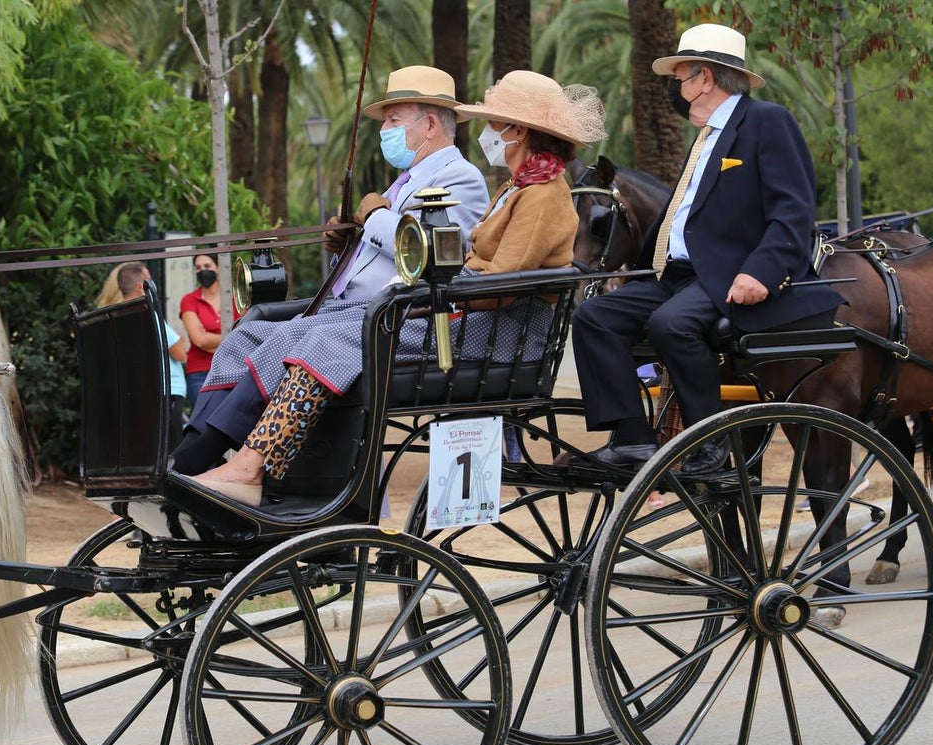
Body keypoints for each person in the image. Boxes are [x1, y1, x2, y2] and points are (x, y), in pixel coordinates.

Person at [176, 70, 607, 506]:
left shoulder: (539, 195)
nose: (490, 134)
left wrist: (404, 258)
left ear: (520, 132)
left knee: (327, 337)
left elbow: (498, 280)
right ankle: (191, 460)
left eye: (496, 125)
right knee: (264, 332)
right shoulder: (518, 189)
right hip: (462, 310)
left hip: (489, 327)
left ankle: (250, 468)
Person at [170, 65, 490, 476]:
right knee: (247, 332)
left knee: (293, 335)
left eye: (393, 120)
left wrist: (373, 219)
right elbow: (381, 255)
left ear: (429, 124)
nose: (384, 130)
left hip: (397, 317)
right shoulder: (404, 182)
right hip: (351, 309)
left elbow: (428, 252)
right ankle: (197, 444)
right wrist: (348, 243)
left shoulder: (460, 177)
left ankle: (205, 454)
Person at [571, 22, 843, 475]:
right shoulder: (705, 138)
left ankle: (709, 441)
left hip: (728, 276)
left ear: (705, 78)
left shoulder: (766, 121)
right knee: (594, 317)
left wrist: (763, 271)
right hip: (677, 276)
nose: (677, 88)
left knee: (670, 325)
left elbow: (794, 213)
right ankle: (633, 438)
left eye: (681, 77)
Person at [109, 262, 189, 450]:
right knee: (171, 447)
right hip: (168, 390)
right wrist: (181, 340)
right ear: (140, 286)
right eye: (150, 280)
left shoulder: (119, 316)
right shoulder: (147, 313)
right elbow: (180, 353)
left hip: (140, 390)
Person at [180, 253, 223, 409]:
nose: (202, 271)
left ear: (218, 268)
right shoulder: (189, 300)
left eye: (207, 266)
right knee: (203, 424)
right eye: (198, 268)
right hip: (200, 373)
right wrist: (231, 337)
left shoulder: (234, 297)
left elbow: (246, 332)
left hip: (233, 369)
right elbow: (198, 339)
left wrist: (210, 340)